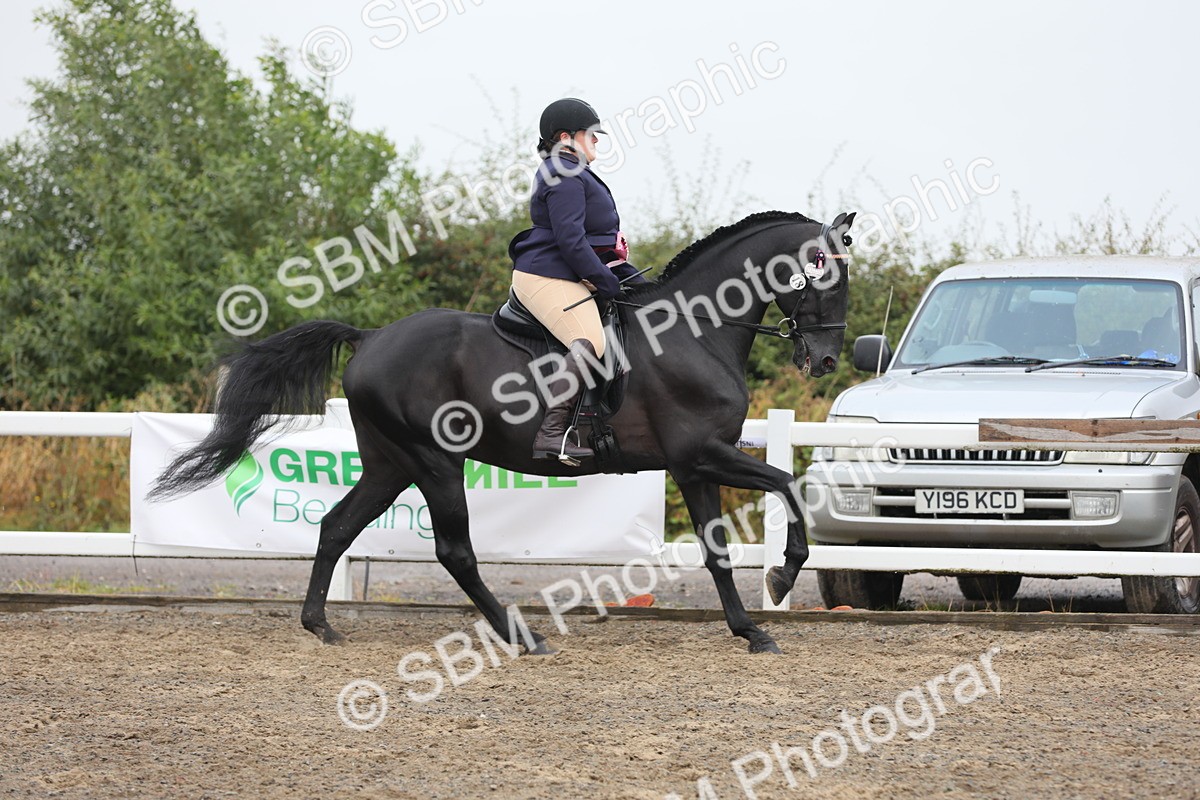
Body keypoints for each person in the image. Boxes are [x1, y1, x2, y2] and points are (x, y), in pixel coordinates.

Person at [510, 97, 648, 463]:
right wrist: (606, 280)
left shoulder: (573, 169)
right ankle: (551, 434)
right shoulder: (564, 171)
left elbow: (587, 236)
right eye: (592, 135)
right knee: (589, 340)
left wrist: (617, 262)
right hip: (546, 275)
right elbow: (570, 240)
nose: (597, 141)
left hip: (568, 270)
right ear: (567, 137)